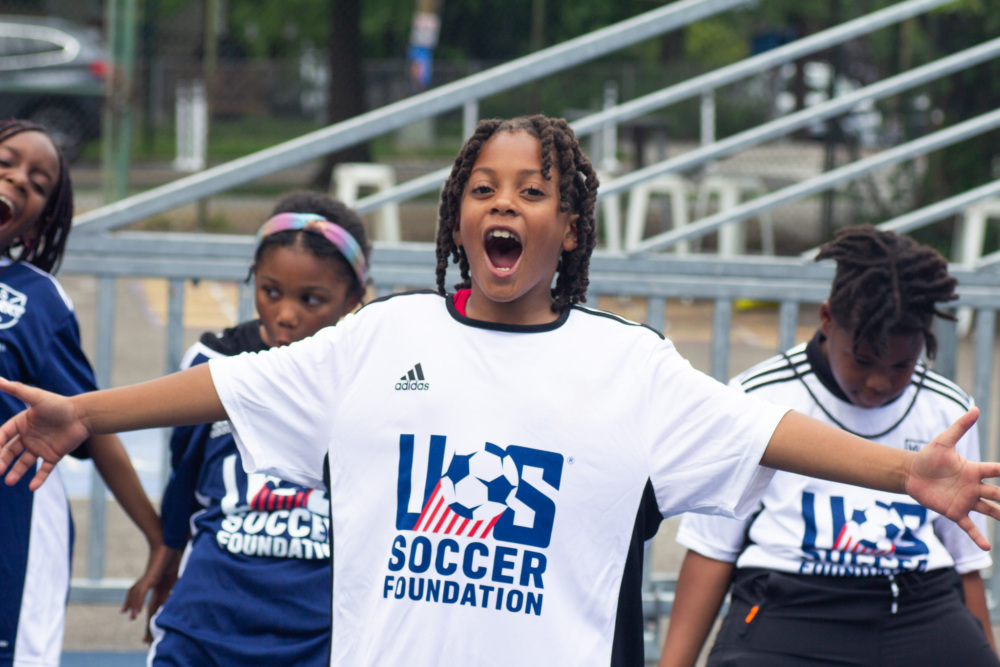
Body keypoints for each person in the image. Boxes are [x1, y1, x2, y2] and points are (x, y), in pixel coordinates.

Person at [1, 116, 999, 667]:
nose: (502, 203)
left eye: (530, 190)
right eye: (483, 188)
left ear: (568, 227)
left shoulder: (627, 364)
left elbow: (763, 431)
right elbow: (223, 386)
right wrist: (87, 411)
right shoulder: (381, 336)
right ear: (455, 218)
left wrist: (906, 468)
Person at [658, 226, 999, 667]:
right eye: (863, 359)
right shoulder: (757, 395)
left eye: (901, 364)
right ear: (826, 319)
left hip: (914, 600)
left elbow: (965, 562)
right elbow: (711, 550)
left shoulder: (948, 409)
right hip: (791, 600)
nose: (879, 381)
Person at [145, 191, 369, 665]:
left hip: (315, 629)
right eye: (271, 291)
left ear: (353, 301)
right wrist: (165, 555)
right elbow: (183, 479)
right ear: (252, 280)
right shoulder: (210, 363)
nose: (286, 313)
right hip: (207, 619)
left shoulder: (368, 378)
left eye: (311, 299)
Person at [0, 119, 164, 667]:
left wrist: (157, 536)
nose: (19, 178)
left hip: (14, 533)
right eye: (6, 160)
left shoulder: (37, 300)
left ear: (34, 226)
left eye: (38, 182)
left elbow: (88, 423)